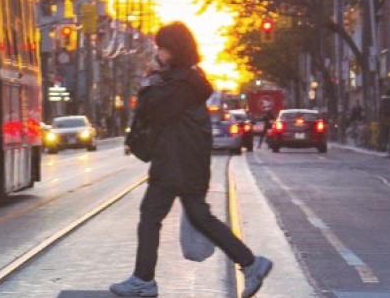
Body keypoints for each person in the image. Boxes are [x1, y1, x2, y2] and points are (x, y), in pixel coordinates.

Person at [109, 22, 272, 298]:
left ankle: (143, 279)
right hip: (186, 161)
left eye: (161, 47)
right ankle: (250, 263)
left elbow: (150, 109)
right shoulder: (186, 80)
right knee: (199, 216)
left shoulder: (179, 84)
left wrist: (151, 81)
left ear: (172, 50)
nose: (158, 52)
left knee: (151, 217)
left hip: (175, 162)